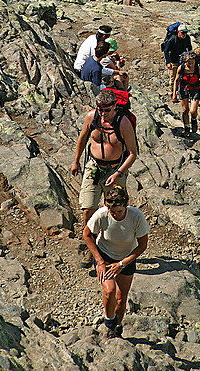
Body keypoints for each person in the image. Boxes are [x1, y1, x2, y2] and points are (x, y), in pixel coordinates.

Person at [71, 89, 138, 268]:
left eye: (106, 110)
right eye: (100, 109)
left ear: (115, 106)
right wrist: (76, 161)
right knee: (88, 208)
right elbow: (82, 139)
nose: (103, 114)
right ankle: (90, 246)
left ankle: (116, 245)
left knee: (115, 209)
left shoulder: (123, 123)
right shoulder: (91, 117)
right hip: (94, 167)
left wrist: (118, 173)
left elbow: (133, 153)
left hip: (115, 169)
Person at [83, 186, 149, 339]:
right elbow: (87, 235)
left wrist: (122, 264)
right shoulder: (102, 214)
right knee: (109, 290)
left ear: (126, 205)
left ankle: (117, 327)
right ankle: (109, 320)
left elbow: (142, 245)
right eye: (112, 211)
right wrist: (99, 262)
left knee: (121, 298)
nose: (115, 215)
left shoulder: (136, 216)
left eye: (119, 211)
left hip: (126, 258)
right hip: (105, 255)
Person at [172, 50, 200, 136]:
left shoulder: (198, 68)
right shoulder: (181, 68)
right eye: (189, 62)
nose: (191, 64)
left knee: (193, 110)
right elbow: (176, 80)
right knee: (185, 110)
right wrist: (174, 94)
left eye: (192, 62)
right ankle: (187, 127)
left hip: (195, 88)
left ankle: (194, 120)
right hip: (183, 88)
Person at [163, 23, 192, 95]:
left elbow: (189, 48)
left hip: (183, 59)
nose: (184, 34)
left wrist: (190, 58)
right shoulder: (173, 39)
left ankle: (181, 91)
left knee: (183, 76)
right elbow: (166, 50)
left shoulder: (187, 38)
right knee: (173, 76)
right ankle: (172, 92)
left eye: (185, 32)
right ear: (178, 32)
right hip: (173, 59)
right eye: (182, 33)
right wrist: (168, 62)